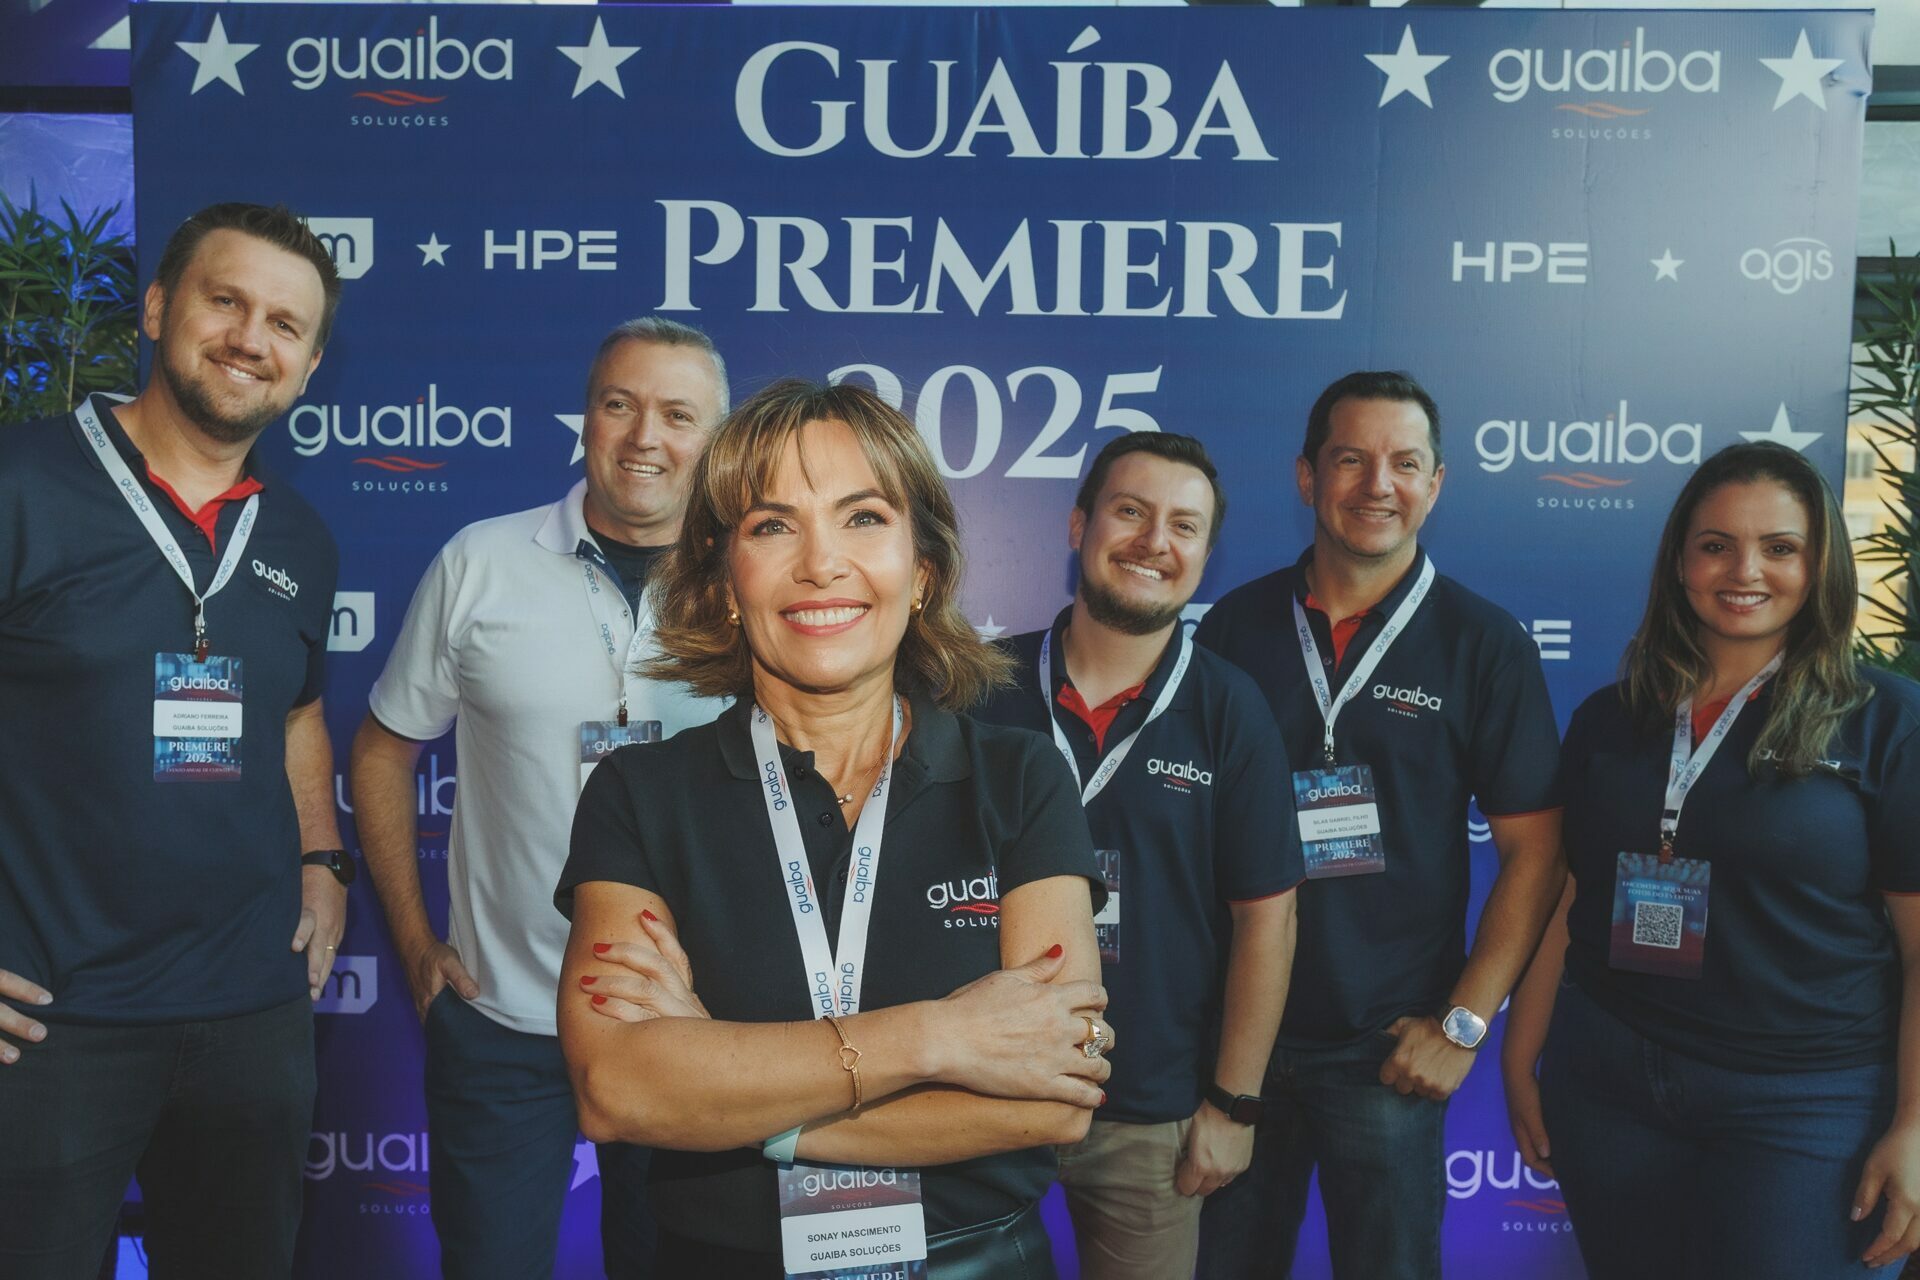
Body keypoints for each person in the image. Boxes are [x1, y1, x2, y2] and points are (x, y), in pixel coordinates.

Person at [554, 379, 1113, 1277]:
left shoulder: (1020, 778)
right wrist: (939, 1037)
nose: (821, 563)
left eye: (863, 518)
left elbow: (1055, 1099)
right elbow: (617, 1088)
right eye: (772, 525)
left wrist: (736, 1101)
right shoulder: (640, 793)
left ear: (921, 572)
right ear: (725, 579)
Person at [0, 202, 348, 1277]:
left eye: (285, 324)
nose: (251, 338)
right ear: (156, 308)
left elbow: (296, 710)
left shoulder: (299, 535)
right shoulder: (20, 483)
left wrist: (323, 856)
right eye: (225, 301)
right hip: (53, 1021)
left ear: (310, 365)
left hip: (250, 1017)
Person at [350, 318, 731, 1278]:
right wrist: (416, 946)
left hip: (694, 1024)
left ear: (716, 440)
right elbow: (384, 749)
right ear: (586, 418)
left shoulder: (751, 583)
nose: (645, 437)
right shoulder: (480, 561)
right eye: (620, 405)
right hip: (502, 1024)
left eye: (677, 414)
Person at [1502, 441, 1920, 1279]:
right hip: (1610, 1081)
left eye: (1780, 547)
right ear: (1680, 562)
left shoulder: (1887, 721)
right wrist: (1520, 1055)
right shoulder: (1611, 716)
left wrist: (1915, 1123)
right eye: (1717, 545)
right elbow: (1571, 893)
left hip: (1803, 1104)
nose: (1745, 571)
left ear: (1820, 565)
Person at [1194, 370, 1565, 1280]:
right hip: (1236, 1042)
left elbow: (1536, 854)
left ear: (1435, 485)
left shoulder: (1485, 643)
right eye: (1350, 459)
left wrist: (1463, 1026)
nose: (1377, 485)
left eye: (1404, 463)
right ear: (1306, 477)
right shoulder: (1234, 626)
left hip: (1390, 1049)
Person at [973, 431, 1301, 1278]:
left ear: (1204, 557)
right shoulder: (976, 689)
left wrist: (1233, 1104)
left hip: (1151, 1113)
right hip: (975, 1096)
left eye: (1184, 526)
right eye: (1130, 511)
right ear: (1077, 525)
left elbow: (1267, 920)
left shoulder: (1231, 709)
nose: (1155, 542)